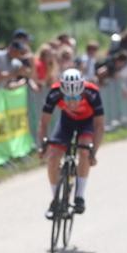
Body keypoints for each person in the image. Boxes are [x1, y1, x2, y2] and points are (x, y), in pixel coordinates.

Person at [39, 68, 104, 218]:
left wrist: (93, 152)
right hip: (66, 121)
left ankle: (79, 196)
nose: (73, 102)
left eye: (76, 98)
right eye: (68, 99)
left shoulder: (92, 93)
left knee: (84, 151)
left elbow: (99, 125)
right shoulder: (55, 92)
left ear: (82, 92)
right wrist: (43, 145)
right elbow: (43, 122)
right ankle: (55, 200)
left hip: (86, 122)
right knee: (53, 157)